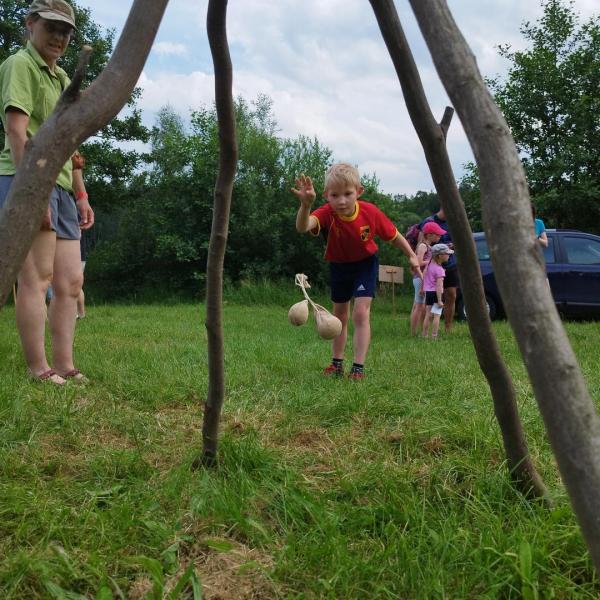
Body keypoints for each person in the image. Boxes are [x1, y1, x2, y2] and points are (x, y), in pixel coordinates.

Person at [0, 0, 94, 384]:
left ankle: (66, 365)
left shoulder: (61, 80)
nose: (59, 37)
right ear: (30, 23)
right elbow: (17, 132)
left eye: (66, 31)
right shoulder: (19, 65)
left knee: (70, 282)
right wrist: (31, 194)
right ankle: (39, 368)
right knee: (36, 279)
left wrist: (81, 192)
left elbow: (67, 144)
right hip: (24, 180)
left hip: (60, 186)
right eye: (52, 27)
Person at [292, 163, 420, 379]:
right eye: (335, 195)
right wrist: (305, 206)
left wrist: (412, 255)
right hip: (339, 266)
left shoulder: (370, 212)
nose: (341, 201)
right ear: (326, 196)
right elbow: (303, 227)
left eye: (348, 194)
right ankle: (337, 364)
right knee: (339, 315)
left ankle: (358, 368)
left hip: (365, 264)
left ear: (358, 191)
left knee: (361, 313)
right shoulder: (326, 213)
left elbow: (395, 236)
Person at [419, 208, 458, 332]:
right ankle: (425, 329)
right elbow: (422, 244)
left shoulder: (454, 222)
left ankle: (448, 328)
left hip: (450, 264)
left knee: (451, 295)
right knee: (429, 298)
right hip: (432, 267)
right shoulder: (428, 222)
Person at [409, 221, 445, 336]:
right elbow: (418, 262)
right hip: (420, 277)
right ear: (429, 235)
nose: (440, 237)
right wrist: (432, 261)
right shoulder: (423, 246)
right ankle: (413, 332)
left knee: (420, 305)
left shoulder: (429, 246)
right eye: (437, 234)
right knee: (419, 306)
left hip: (422, 278)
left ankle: (419, 331)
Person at [422, 243, 454, 339]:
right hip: (437, 294)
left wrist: (423, 287)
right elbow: (439, 286)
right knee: (437, 315)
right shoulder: (440, 270)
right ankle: (434, 336)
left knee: (428, 314)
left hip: (428, 292)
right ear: (440, 256)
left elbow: (424, 275)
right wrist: (440, 300)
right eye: (447, 253)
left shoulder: (429, 264)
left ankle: (424, 335)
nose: (449, 255)